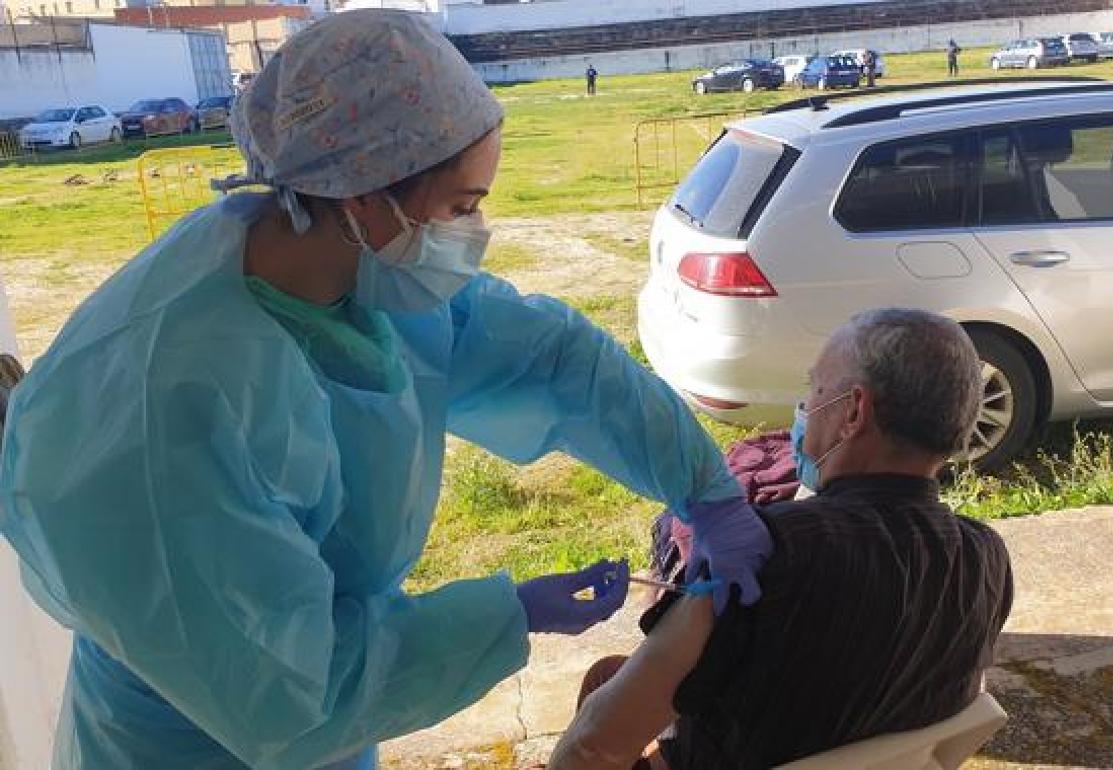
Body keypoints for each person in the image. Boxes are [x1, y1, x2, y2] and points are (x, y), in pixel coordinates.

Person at [0, 10, 772, 770]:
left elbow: (552, 357)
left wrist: (703, 488)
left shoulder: (348, 272)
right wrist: (502, 617)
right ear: (364, 194)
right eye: (463, 207)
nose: (474, 233)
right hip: (194, 740)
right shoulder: (172, 404)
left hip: (322, 721)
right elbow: (288, 695)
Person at [547, 308, 1015, 770]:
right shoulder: (987, 555)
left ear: (853, 411)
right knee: (613, 673)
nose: (805, 408)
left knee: (604, 691)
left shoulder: (762, 554)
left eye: (814, 389)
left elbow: (594, 746)